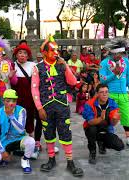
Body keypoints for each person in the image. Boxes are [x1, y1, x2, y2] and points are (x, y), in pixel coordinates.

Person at [31, 36, 84, 177]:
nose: (56, 52)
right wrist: (39, 108)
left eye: (57, 50)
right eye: (52, 50)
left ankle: (70, 161)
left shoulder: (62, 65)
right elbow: (34, 89)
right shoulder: (37, 68)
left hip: (62, 105)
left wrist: (65, 65)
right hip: (46, 106)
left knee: (65, 132)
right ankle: (51, 158)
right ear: (44, 53)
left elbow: (73, 82)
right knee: (48, 132)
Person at [100, 38, 129, 151]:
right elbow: (102, 79)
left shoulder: (126, 61)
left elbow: (128, 76)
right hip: (110, 95)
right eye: (118, 53)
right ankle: (107, 139)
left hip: (123, 94)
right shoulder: (104, 63)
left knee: (126, 116)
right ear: (112, 52)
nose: (120, 56)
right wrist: (114, 74)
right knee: (110, 118)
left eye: (122, 53)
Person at [0, 89, 35, 174]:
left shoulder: (22, 110)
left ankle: (25, 160)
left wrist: (11, 116)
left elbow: (21, 129)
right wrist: (2, 152)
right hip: (4, 141)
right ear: (3, 101)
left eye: (14, 100)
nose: (11, 103)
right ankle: (6, 154)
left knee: (31, 141)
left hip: (18, 139)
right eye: (8, 100)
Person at [82, 84, 124, 164]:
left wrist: (116, 119)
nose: (105, 94)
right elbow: (90, 121)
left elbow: (112, 124)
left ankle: (102, 143)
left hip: (106, 129)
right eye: (101, 92)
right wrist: (101, 118)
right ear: (97, 94)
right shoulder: (89, 104)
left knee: (120, 146)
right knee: (92, 129)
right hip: (92, 128)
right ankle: (92, 152)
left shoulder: (112, 103)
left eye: (106, 92)